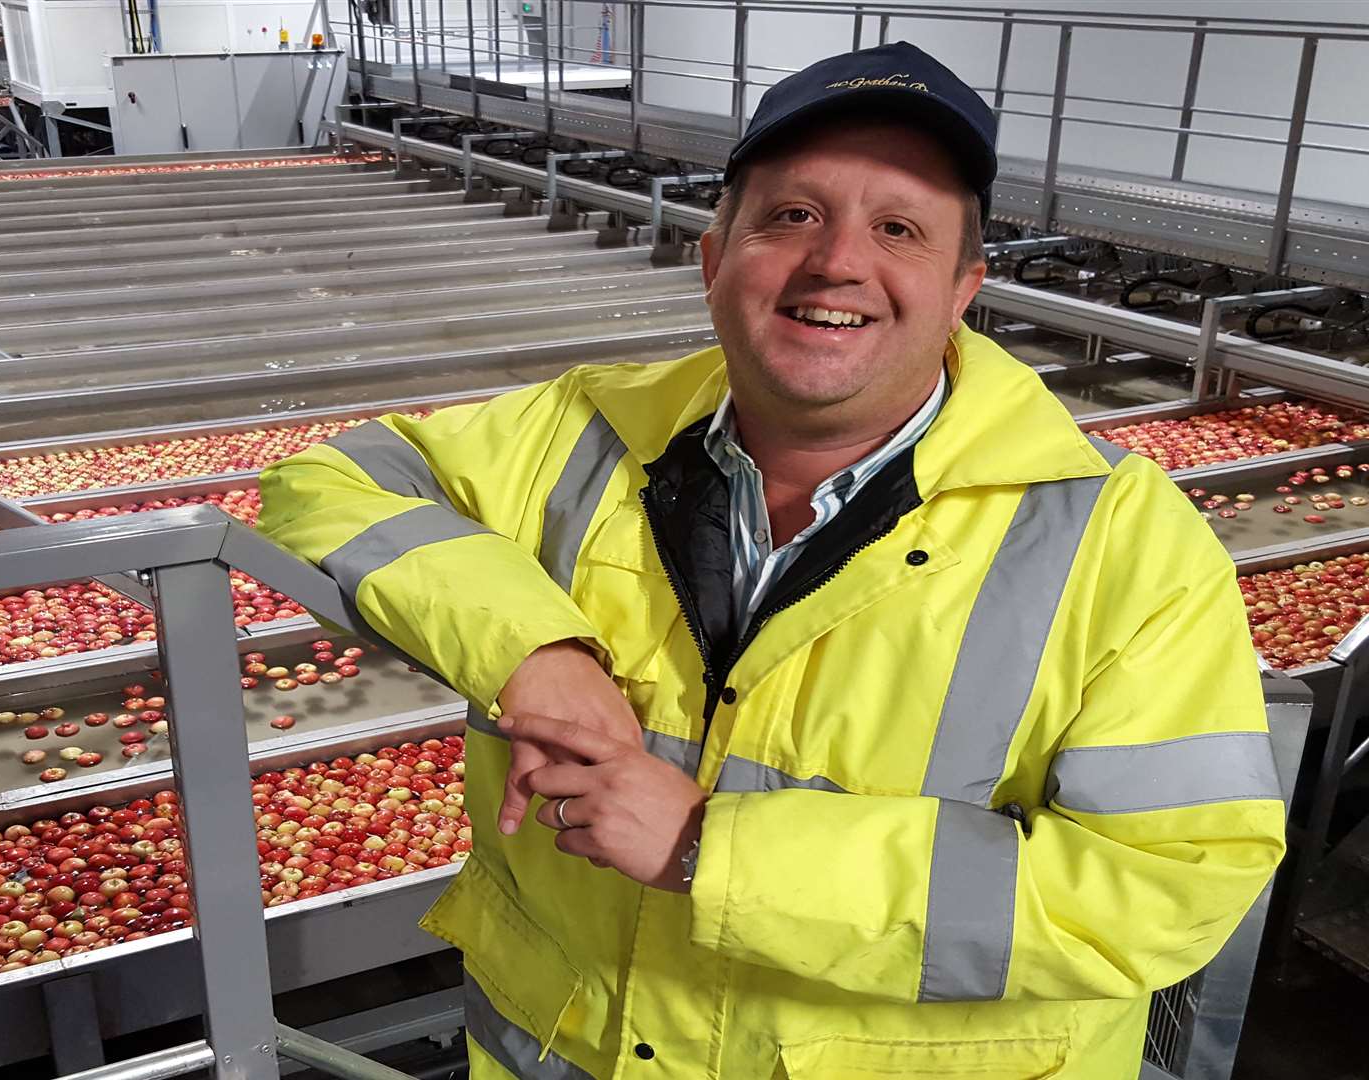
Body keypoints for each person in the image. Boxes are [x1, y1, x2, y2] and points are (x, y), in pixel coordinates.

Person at [258, 40, 1286, 1080]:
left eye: (899, 227)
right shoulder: (581, 431)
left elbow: (1170, 888)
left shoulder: (1116, 540)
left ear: (964, 284)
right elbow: (322, 486)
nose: (837, 261)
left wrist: (717, 848)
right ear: (715, 257)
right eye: (792, 216)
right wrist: (533, 647)